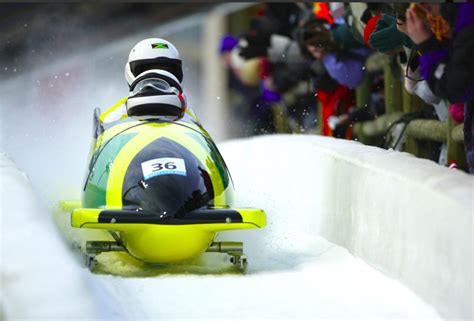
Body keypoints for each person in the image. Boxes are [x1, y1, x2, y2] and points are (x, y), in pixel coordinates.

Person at [100, 38, 197, 124]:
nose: (157, 78)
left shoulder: (191, 119)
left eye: (166, 70)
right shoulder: (110, 119)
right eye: (148, 69)